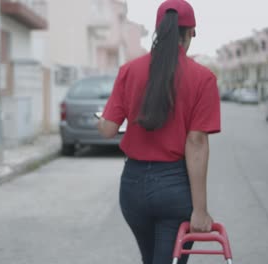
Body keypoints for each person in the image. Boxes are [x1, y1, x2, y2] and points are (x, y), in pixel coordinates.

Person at [97, 0, 221, 263]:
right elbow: (196, 142)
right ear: (191, 33)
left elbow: (107, 129)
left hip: (132, 187)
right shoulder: (203, 78)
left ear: (158, 31)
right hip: (173, 188)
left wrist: (102, 117)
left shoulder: (129, 71)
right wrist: (200, 210)